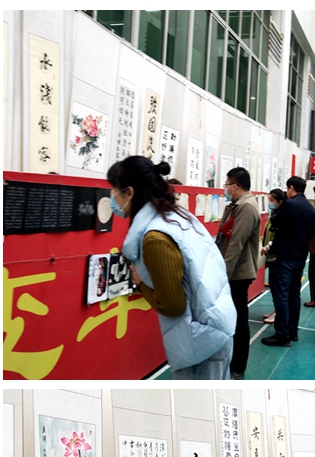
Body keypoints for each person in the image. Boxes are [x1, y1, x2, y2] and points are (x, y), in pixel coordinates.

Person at [107, 157, 236, 379]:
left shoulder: (155, 238)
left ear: (129, 193)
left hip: (201, 341)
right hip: (214, 327)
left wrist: (140, 283)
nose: (111, 196)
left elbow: (172, 306)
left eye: (114, 189)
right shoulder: (177, 216)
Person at [262, 176, 315, 348]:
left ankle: (282, 334)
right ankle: (293, 331)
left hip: (285, 255)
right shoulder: (310, 208)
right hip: (300, 256)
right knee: (294, 295)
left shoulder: (289, 205)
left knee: (281, 296)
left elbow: (275, 221)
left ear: (291, 188)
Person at [217, 167, 261, 379]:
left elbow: (236, 244)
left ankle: (238, 367)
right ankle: (231, 363)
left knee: (239, 321)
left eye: (227, 185)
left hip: (238, 274)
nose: (225, 189)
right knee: (232, 319)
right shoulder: (237, 205)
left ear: (235, 186)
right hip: (233, 272)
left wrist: (223, 275)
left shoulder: (246, 207)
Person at [261, 188, 285, 325]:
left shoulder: (282, 215)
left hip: (276, 256)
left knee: (277, 287)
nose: (269, 203)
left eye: (271, 200)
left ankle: (278, 314)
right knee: (273, 285)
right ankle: (276, 310)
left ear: (280, 201)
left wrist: (268, 247)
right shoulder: (274, 213)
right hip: (270, 255)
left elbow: (279, 237)